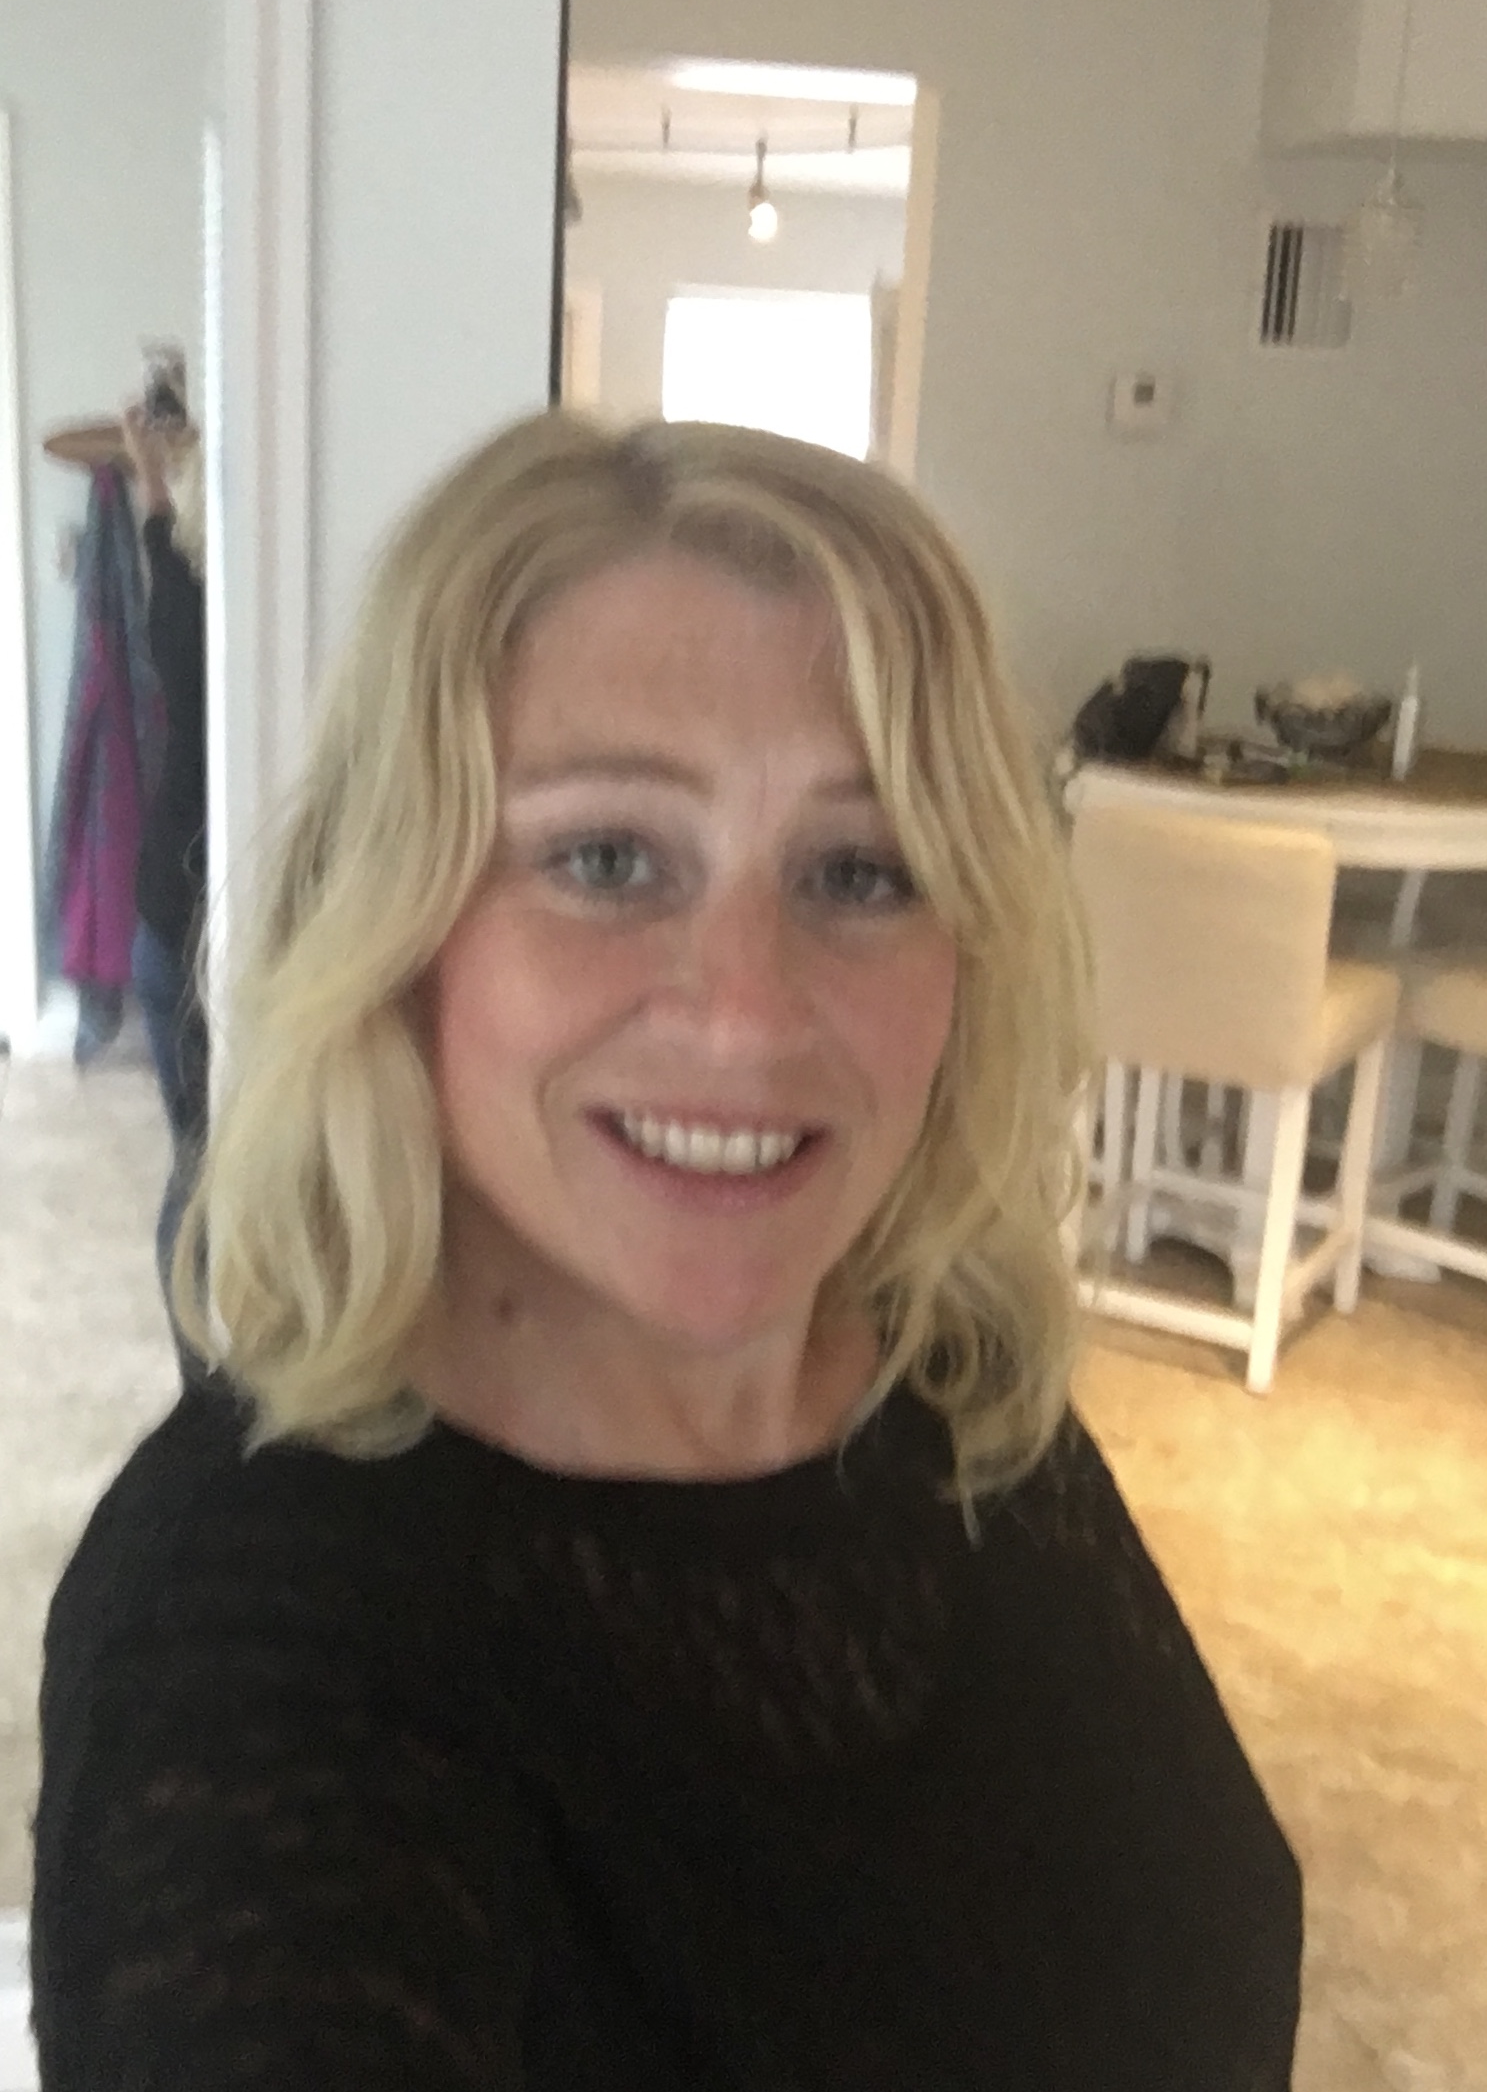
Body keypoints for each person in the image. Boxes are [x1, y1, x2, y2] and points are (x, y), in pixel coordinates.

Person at [31, 415, 1302, 2089]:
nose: (747, 1013)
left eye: (859, 871)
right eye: (607, 858)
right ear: (399, 925)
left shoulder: (956, 1398)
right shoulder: (252, 1648)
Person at [121, 401, 210, 1378]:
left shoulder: (181, 608)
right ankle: (204, 1383)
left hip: (164, 923)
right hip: (187, 929)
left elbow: (159, 533)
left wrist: (149, 469)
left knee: (197, 1159)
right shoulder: (220, 632)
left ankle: (203, 1378)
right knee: (205, 1170)